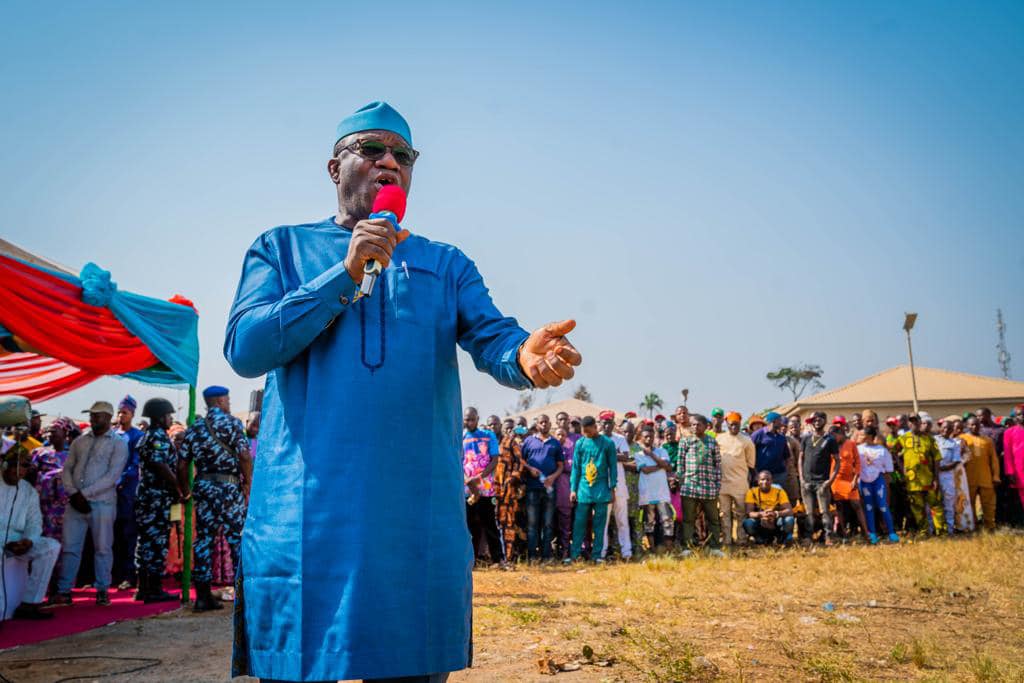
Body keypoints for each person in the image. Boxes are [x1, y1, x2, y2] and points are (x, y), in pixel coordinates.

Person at [224, 101, 581, 682]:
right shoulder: (281, 248)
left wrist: (524, 356)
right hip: (305, 519)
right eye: (372, 149)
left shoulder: (445, 265)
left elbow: (495, 338)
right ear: (334, 169)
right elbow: (246, 348)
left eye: (404, 154)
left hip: (414, 519)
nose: (390, 162)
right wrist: (344, 272)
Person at [178, 386, 252, 612]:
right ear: (219, 400)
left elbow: (182, 464)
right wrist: (248, 482)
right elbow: (244, 455)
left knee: (204, 541)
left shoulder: (195, 428)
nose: (229, 403)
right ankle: (243, 597)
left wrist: (185, 490)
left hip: (204, 489)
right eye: (227, 399)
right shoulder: (233, 424)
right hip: (229, 489)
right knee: (236, 539)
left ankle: (202, 596)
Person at [53, 401, 129, 607]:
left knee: (103, 548)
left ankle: (102, 589)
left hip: (102, 503)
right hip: (76, 503)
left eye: (96, 416)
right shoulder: (79, 441)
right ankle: (64, 590)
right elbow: (67, 469)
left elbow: (112, 476)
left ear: (107, 417)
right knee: (70, 547)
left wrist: (83, 494)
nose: (92, 419)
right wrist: (72, 492)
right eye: (92, 415)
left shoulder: (118, 443)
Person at [1, 440, 60, 620]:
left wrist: (28, 541)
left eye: (25, 466)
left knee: (51, 547)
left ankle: (29, 603)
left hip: (18, 541)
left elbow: (34, 523)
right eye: (16, 465)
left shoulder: (29, 491)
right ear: (5, 464)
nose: (20, 470)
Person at [133, 398, 181, 603]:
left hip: (148, 497)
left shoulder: (147, 436)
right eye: (169, 415)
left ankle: (143, 588)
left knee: (145, 544)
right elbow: (161, 465)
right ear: (161, 417)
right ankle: (152, 590)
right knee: (156, 543)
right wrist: (177, 486)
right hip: (156, 498)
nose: (171, 419)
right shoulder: (158, 437)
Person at [567, 416, 617, 564]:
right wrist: (573, 489)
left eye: (588, 431)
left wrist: (612, 487)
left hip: (601, 489)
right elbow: (575, 468)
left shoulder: (608, 443)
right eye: (584, 432)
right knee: (579, 524)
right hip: (583, 490)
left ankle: (596, 556)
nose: (586, 434)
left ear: (595, 427)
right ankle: (575, 555)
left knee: (599, 525)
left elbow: (613, 467)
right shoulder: (580, 443)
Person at [676, 414, 723, 557]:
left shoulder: (712, 442)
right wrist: (682, 481)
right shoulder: (685, 441)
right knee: (688, 520)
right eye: (693, 425)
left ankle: (714, 548)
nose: (695, 427)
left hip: (709, 488)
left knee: (713, 519)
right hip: (690, 487)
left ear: (705, 426)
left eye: (698, 424)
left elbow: (718, 465)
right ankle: (687, 548)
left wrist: (717, 484)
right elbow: (680, 464)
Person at [462, 407, 503, 566]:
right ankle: (471, 561)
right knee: (469, 526)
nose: (469, 422)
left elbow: (494, 460)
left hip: (485, 489)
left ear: (478, 419)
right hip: (467, 491)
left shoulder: (488, 436)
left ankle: (498, 560)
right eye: (467, 419)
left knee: (490, 524)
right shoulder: (460, 438)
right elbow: (458, 461)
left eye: (472, 419)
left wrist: (478, 478)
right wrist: (467, 480)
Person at [112, 395, 144, 592]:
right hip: (109, 493)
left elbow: (135, 464)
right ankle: (114, 574)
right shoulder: (113, 435)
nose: (121, 416)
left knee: (128, 534)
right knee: (112, 535)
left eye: (124, 412)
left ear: (132, 414)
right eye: (119, 412)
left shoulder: (136, 436)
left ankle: (128, 575)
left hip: (127, 493)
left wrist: (119, 480)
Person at [520, 414, 563, 562]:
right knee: (532, 524)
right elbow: (521, 459)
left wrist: (553, 477)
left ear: (550, 424)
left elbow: (561, 465)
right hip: (532, 487)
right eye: (541, 422)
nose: (544, 424)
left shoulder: (555, 443)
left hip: (549, 488)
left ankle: (546, 556)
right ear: (537, 425)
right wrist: (529, 468)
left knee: (548, 523)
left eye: (546, 422)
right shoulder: (529, 441)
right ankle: (532, 556)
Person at [892, 414, 944, 535]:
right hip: (912, 481)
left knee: (936, 506)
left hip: (929, 480)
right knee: (917, 508)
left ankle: (941, 532)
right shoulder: (903, 438)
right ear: (909, 424)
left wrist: (936, 478)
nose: (914, 423)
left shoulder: (930, 439)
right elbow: (894, 452)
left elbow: (937, 458)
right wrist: (901, 468)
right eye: (912, 421)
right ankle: (924, 532)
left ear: (921, 422)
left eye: (917, 421)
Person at [31, 418, 77, 542]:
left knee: (64, 539)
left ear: (64, 432)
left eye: (55, 430)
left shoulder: (73, 455)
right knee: (42, 535)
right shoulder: (39, 453)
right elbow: (30, 473)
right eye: (49, 431)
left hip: (65, 506)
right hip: (43, 504)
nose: (50, 434)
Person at [797, 412, 838, 544]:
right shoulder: (806, 438)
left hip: (822, 482)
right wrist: (802, 479)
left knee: (825, 512)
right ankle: (808, 537)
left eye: (819, 419)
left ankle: (828, 536)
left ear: (825, 421)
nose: (816, 422)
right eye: (814, 420)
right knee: (809, 512)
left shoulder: (830, 440)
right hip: (807, 482)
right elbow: (800, 458)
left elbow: (837, 461)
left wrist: (830, 481)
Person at [716, 412, 755, 545]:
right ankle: (727, 540)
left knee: (741, 514)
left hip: (740, 484)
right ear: (727, 424)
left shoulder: (747, 441)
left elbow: (751, 465)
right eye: (731, 424)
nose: (734, 427)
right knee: (724, 514)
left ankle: (741, 540)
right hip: (723, 484)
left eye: (737, 424)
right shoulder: (719, 439)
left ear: (740, 424)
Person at [633, 426, 674, 552]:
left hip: (662, 493)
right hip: (647, 493)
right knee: (649, 522)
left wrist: (651, 455)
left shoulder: (662, 451)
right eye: (645, 436)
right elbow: (645, 470)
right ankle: (652, 549)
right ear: (641, 438)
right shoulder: (638, 454)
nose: (648, 439)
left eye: (651, 436)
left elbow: (668, 467)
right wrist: (660, 465)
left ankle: (669, 549)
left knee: (667, 520)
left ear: (654, 437)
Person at [856, 426, 899, 544]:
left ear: (869, 436)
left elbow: (888, 470)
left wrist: (887, 486)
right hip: (864, 482)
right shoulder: (857, 449)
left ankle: (891, 533)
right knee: (869, 507)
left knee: (883, 506)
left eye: (862, 434)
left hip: (878, 481)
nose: (859, 437)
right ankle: (872, 533)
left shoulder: (882, 450)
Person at [598, 411, 632, 560]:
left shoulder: (620, 438)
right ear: (600, 423)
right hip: (602, 485)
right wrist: (614, 453)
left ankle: (626, 552)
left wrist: (608, 453)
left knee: (622, 520)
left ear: (613, 424)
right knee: (603, 522)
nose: (606, 425)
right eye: (604, 422)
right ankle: (601, 553)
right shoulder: (595, 439)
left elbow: (626, 456)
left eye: (609, 422)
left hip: (619, 484)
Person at [960, 416, 1000, 532]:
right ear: (967, 426)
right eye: (971, 424)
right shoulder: (962, 439)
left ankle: (990, 526)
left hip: (985, 477)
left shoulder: (987, 440)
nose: (974, 427)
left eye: (976, 424)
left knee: (988, 504)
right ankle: (973, 526)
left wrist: (996, 476)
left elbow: (994, 459)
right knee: (969, 504)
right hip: (968, 478)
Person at [829, 425, 869, 541]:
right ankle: (844, 534)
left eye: (834, 436)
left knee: (856, 505)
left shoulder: (851, 444)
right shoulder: (831, 445)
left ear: (840, 434)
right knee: (840, 507)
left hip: (850, 479)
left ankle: (866, 533)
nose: (833, 438)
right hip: (835, 480)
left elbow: (857, 462)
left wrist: (855, 478)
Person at [935, 418, 973, 533]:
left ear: (952, 430)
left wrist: (941, 468)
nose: (946, 430)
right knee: (933, 503)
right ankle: (935, 529)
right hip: (933, 476)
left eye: (949, 428)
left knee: (949, 503)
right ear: (940, 428)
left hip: (947, 476)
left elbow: (956, 461)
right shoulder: (933, 440)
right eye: (944, 427)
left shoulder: (955, 443)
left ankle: (949, 530)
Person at [493, 428, 524, 564]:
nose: (493, 427)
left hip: (507, 490)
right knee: (493, 524)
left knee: (508, 523)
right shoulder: (487, 442)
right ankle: (496, 557)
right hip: (490, 490)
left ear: (500, 425)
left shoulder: (510, 442)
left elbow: (520, 462)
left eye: (495, 424)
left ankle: (509, 557)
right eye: (490, 425)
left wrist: (513, 477)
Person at [742, 471, 795, 545]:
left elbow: (789, 510)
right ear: (758, 481)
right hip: (761, 520)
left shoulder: (779, 491)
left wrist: (775, 514)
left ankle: (782, 538)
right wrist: (762, 515)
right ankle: (759, 539)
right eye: (762, 479)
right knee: (748, 523)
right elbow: (749, 512)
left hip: (776, 520)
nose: (765, 482)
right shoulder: (752, 492)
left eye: (768, 479)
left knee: (789, 520)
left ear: (772, 481)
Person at [553, 412, 580, 559]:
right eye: (560, 419)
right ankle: (559, 551)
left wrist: (564, 466)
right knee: (557, 522)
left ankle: (570, 551)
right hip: (557, 487)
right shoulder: (553, 440)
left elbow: (574, 464)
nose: (563, 421)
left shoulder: (577, 439)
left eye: (565, 419)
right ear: (556, 422)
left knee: (572, 521)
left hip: (573, 486)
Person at [750, 412, 790, 489]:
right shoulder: (757, 435)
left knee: (778, 499)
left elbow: (787, 456)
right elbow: (750, 455)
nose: (782, 424)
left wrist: (785, 472)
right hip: (762, 476)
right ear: (773, 421)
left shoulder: (781, 438)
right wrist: (755, 473)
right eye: (780, 421)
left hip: (779, 475)